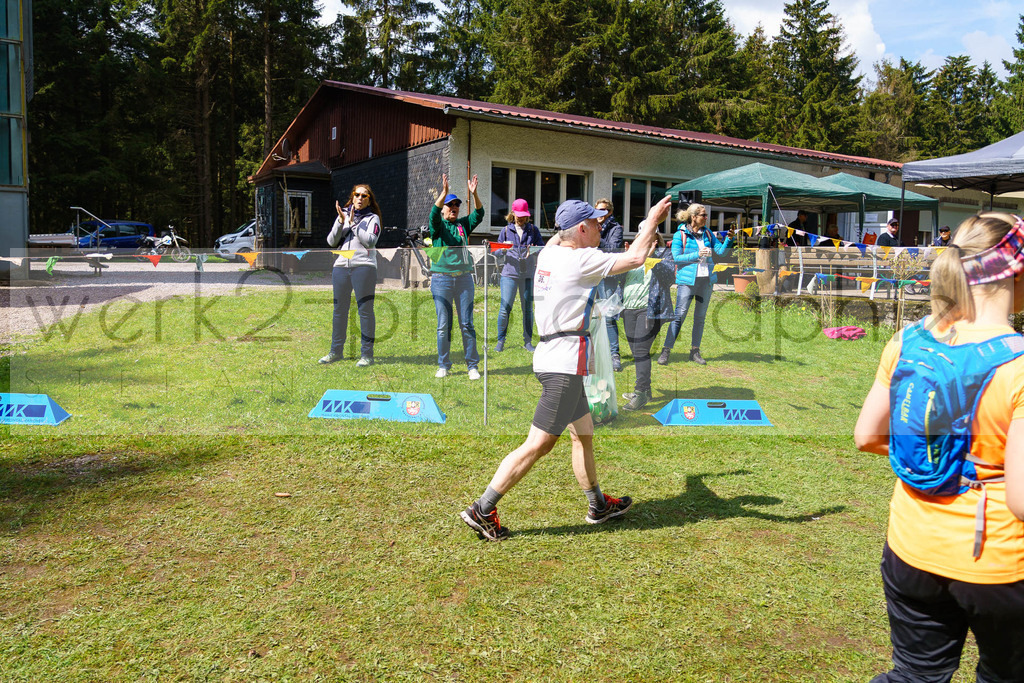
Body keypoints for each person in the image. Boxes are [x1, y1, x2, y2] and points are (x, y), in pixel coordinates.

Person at [854, 212, 1024, 682]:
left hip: (910, 547)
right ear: (1016, 271)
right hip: (997, 566)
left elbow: (866, 435)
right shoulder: (1019, 365)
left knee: (913, 675)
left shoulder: (909, 340)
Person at [459, 196, 673, 541]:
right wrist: (651, 219)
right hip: (563, 362)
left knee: (582, 435)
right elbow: (636, 257)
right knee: (538, 444)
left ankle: (598, 505)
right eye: (597, 223)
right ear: (582, 228)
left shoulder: (550, 251)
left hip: (553, 355)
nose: (602, 227)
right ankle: (482, 509)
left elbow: (561, 236)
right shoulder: (580, 259)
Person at [657, 203, 735, 366]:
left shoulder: (707, 233)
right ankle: (666, 350)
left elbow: (720, 252)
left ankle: (695, 351)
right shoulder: (681, 234)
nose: (707, 218)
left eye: (706, 215)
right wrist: (697, 254)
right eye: (703, 215)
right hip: (687, 281)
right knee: (679, 316)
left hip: (706, 280)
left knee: (700, 318)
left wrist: (729, 238)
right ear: (694, 217)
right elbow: (676, 258)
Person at [429, 173, 485, 380]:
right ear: (443, 208)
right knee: (444, 325)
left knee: (467, 323)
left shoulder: (462, 225)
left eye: (456, 205)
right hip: (441, 279)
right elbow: (433, 216)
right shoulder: (439, 227)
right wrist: (443, 193)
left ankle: (472, 366)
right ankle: (444, 364)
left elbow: (479, 214)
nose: (453, 208)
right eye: (449, 205)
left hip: (464, 279)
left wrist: (475, 193)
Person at [319, 183, 381, 367]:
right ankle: (335, 352)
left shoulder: (373, 218)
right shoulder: (343, 216)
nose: (360, 198)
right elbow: (331, 241)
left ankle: (367, 355)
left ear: (369, 199)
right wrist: (340, 221)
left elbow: (370, 241)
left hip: (364, 267)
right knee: (339, 311)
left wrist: (353, 223)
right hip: (340, 267)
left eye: (364, 196)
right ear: (352, 197)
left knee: (365, 311)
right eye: (357, 194)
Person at [619, 234, 675, 411]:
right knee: (636, 351)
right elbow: (614, 278)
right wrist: (625, 258)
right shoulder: (631, 256)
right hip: (629, 308)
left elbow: (669, 277)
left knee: (641, 350)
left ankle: (640, 392)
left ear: (654, 240)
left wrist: (651, 257)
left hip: (650, 311)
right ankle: (646, 391)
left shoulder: (664, 254)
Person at [495, 199, 544, 352]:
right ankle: (500, 341)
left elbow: (542, 248)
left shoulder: (534, 230)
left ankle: (528, 342)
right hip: (509, 274)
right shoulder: (504, 231)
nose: (521, 218)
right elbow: (495, 251)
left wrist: (535, 250)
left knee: (528, 309)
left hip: (528, 274)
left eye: (524, 215)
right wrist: (503, 249)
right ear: (513, 214)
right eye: (518, 215)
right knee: (505, 308)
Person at [595, 198, 625, 372]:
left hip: (607, 276)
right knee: (588, 314)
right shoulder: (591, 225)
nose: (601, 213)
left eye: (604, 210)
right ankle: (595, 351)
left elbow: (613, 248)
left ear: (610, 212)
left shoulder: (616, 229)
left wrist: (597, 237)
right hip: (591, 274)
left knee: (609, 316)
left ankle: (614, 355)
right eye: (598, 210)